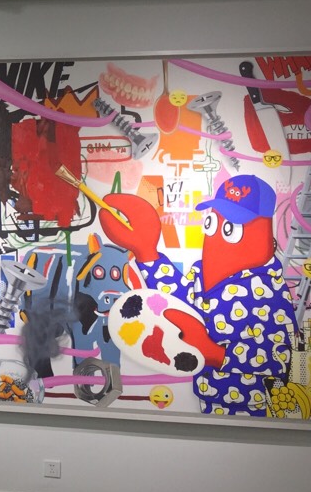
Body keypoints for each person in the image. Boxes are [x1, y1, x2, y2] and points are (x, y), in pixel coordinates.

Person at [99, 174, 296, 416]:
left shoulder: (269, 290)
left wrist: (217, 355)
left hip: (254, 407)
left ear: (262, 230)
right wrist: (148, 253)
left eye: (230, 227)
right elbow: (180, 301)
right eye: (212, 222)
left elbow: (279, 358)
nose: (215, 235)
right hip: (207, 397)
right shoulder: (202, 272)